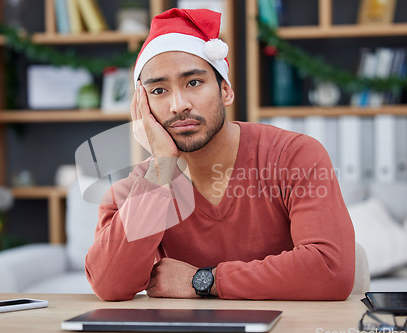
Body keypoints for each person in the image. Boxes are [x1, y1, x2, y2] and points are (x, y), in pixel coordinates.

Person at [85, 8, 355, 301]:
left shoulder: (294, 156)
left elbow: (330, 270)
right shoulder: (140, 187)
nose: (178, 105)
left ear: (225, 90)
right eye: (160, 90)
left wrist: (204, 280)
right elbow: (110, 284)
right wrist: (161, 166)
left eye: (193, 83)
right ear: (143, 106)